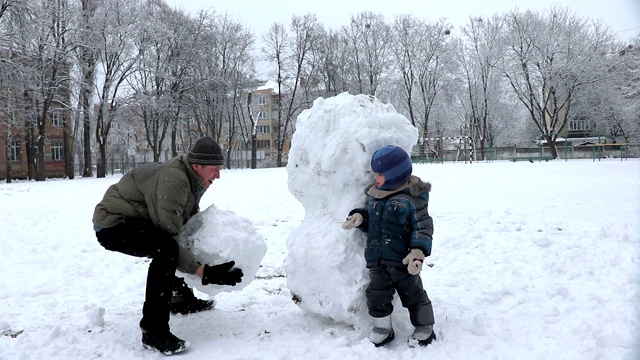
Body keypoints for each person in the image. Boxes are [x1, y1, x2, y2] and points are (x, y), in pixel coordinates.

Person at [92, 136, 244, 355]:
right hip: (113, 224)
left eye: (220, 169)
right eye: (214, 169)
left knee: (170, 245)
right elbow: (169, 235)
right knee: (166, 249)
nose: (218, 176)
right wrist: (204, 272)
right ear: (197, 166)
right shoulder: (174, 182)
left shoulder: (193, 180)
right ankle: (153, 331)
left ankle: (180, 298)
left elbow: (182, 226)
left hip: (136, 219)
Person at [342, 145, 436, 347]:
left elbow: (423, 226)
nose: (376, 178)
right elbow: (372, 221)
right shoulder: (375, 196)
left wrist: (417, 253)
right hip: (377, 260)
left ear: (395, 175)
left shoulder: (412, 199)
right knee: (376, 295)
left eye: (380, 174)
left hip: (403, 260)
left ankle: (425, 326)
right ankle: (382, 328)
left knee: (414, 295)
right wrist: (359, 217)